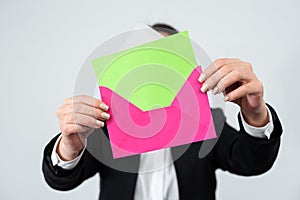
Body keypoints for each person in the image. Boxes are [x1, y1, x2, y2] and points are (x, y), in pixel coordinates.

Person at [42, 23, 283, 200]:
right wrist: (69, 146)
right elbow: (61, 181)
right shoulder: (106, 126)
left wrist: (255, 115)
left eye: (164, 60)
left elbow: (252, 163)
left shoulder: (208, 121)